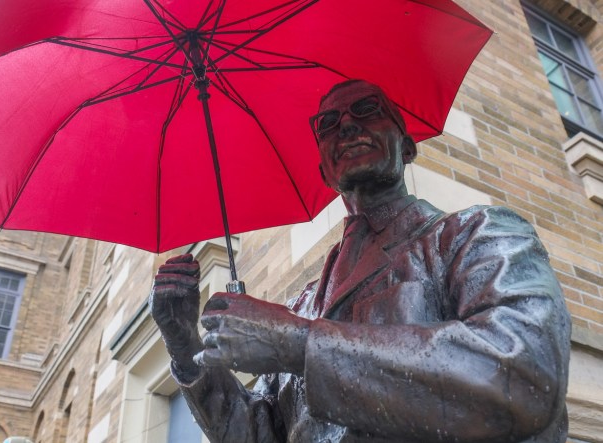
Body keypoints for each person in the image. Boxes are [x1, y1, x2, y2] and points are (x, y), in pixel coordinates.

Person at [149, 80, 571, 442]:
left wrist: (296, 341)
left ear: (407, 148)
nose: (347, 125)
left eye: (368, 110)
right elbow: (259, 434)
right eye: (327, 125)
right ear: (324, 172)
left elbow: (523, 372)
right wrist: (183, 343)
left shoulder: (477, 233)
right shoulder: (302, 305)